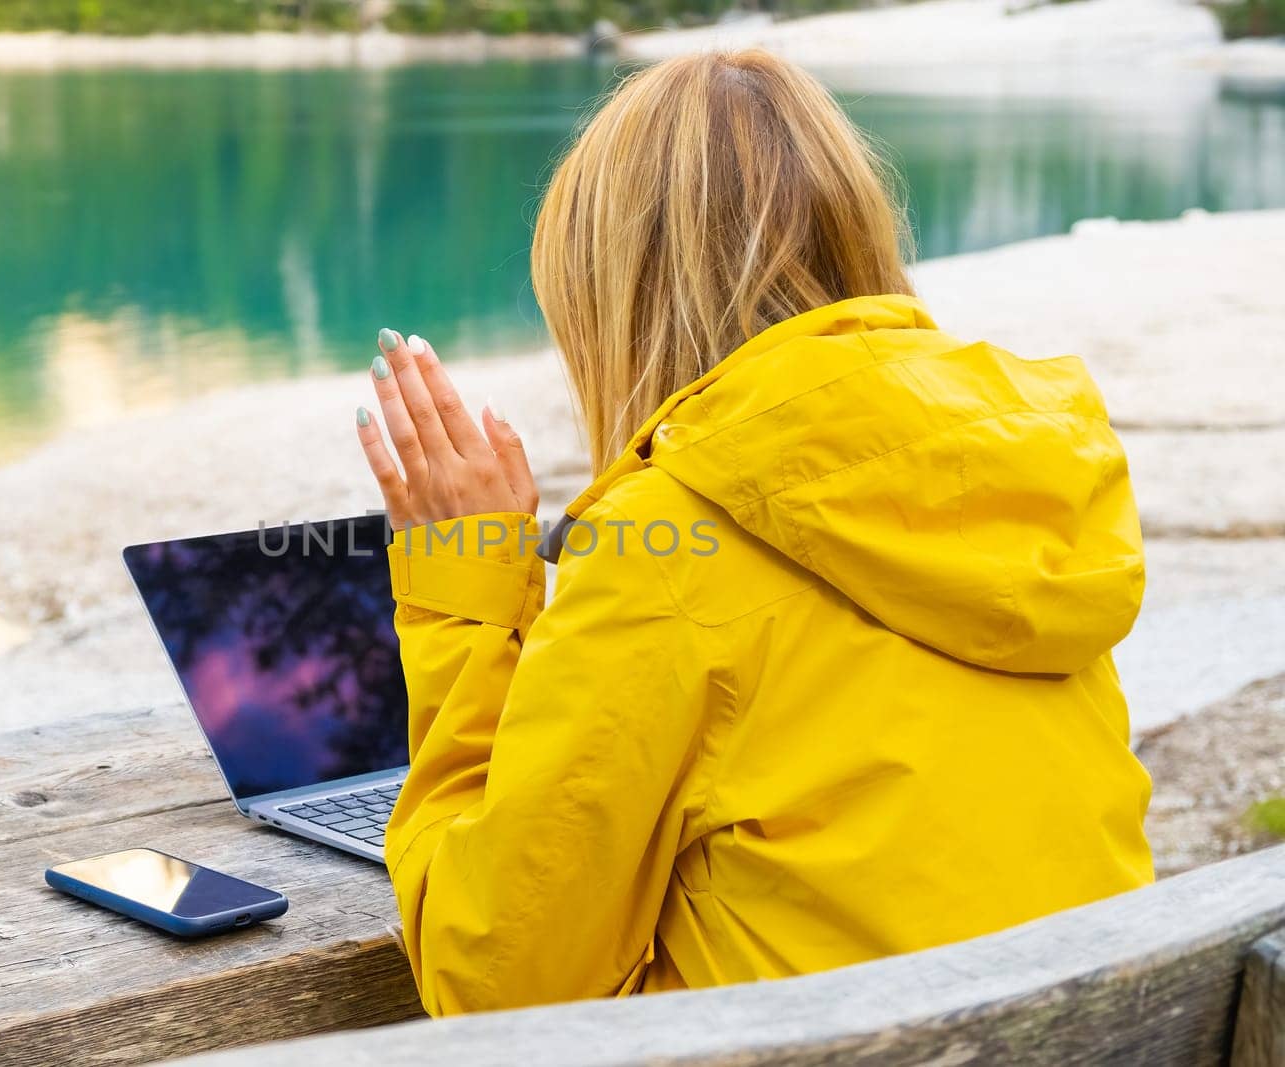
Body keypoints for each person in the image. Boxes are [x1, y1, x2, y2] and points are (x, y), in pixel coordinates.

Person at [352, 49, 1153, 1016]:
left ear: (613, 292)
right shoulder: (1018, 482)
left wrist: (466, 591)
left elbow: (491, 982)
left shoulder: (670, 544)